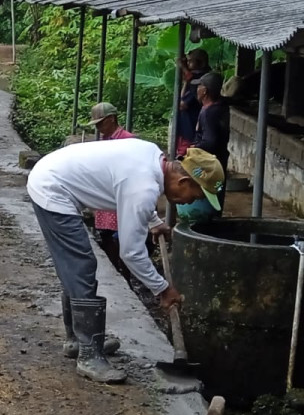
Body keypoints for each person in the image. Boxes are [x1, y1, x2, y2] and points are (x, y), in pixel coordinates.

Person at [27, 139, 224, 384]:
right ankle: (88, 354)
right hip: (52, 188)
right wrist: (162, 289)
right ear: (183, 181)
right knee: (81, 267)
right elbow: (130, 253)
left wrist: (154, 222)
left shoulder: (152, 158)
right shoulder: (144, 187)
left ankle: (78, 340)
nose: (190, 202)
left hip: (52, 174)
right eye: (194, 195)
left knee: (75, 268)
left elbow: (132, 198)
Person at [86, 103, 135, 286]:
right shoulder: (103, 142)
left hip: (120, 196)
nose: (98, 128)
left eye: (101, 123)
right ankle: (115, 276)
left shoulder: (128, 141)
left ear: (112, 119)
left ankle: (126, 277)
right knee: (107, 237)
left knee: (122, 238)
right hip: (105, 196)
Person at [179, 71, 230, 224]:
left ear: (205, 91)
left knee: (209, 189)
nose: (197, 89)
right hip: (219, 159)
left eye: (199, 86)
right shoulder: (217, 106)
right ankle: (214, 218)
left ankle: (205, 221)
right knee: (218, 189)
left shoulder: (210, 112)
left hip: (209, 163)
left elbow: (210, 141)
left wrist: (192, 149)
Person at [175, 48, 211, 157]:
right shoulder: (198, 76)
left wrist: (184, 69)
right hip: (190, 122)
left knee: (189, 155)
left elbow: (182, 104)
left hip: (191, 122)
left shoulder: (201, 79)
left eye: (191, 61)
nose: (189, 63)